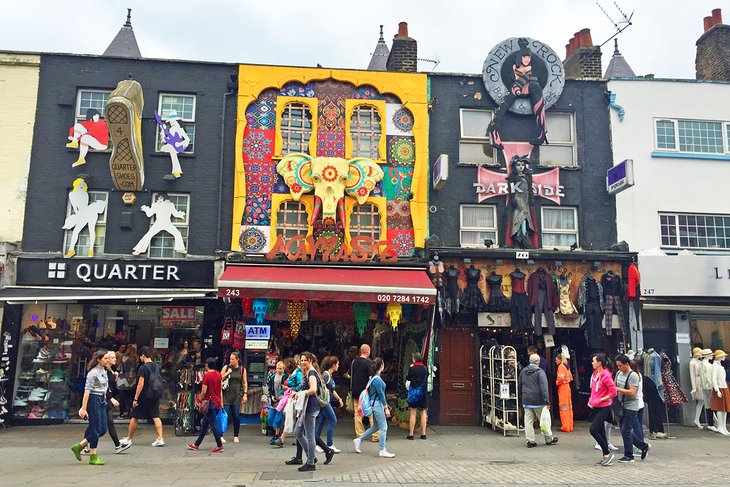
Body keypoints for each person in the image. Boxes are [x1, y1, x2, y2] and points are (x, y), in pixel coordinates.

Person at [487, 37, 547, 149]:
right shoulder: (514, 67)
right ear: (520, 57)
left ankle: (541, 131)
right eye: (524, 56)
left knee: (532, 85)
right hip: (517, 89)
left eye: (529, 57)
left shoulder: (533, 68)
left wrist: (521, 82)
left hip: (529, 87)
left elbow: (534, 79)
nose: (527, 59)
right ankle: (494, 129)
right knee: (510, 96)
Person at [289, 352, 331, 471]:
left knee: (310, 435)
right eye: (301, 360)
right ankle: (311, 457)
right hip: (306, 408)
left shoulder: (312, 373)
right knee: (297, 432)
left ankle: (311, 462)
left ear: (311, 361)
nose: (302, 362)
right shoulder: (307, 372)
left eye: (305, 360)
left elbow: (313, 389)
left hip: (310, 408)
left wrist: (299, 393)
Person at [118, 346, 165, 449]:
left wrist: (135, 398)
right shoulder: (157, 366)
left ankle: (129, 438)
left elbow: (140, 384)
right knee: (156, 416)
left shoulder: (143, 368)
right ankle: (160, 438)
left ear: (143, 356)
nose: (140, 358)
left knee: (135, 416)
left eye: (140, 357)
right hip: (154, 394)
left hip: (144, 395)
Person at [71, 350, 110, 465]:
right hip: (94, 400)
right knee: (95, 428)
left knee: (102, 429)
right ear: (99, 360)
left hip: (101, 400)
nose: (107, 360)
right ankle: (93, 455)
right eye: (105, 358)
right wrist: (83, 408)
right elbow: (87, 391)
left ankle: (79, 446)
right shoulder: (93, 373)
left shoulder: (104, 370)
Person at [353, 358, 395, 458]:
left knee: (376, 426)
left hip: (374, 404)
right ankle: (382, 449)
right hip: (378, 405)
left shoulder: (373, 378)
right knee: (384, 427)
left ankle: (359, 439)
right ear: (381, 366)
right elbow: (381, 395)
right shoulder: (377, 380)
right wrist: (386, 408)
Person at [615, 354, 651, 463]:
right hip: (621, 405)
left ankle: (629, 455)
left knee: (626, 429)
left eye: (620, 366)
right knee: (624, 430)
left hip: (632, 406)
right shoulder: (618, 373)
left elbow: (632, 392)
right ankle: (643, 446)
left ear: (627, 364)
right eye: (617, 366)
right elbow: (613, 384)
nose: (619, 368)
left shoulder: (633, 376)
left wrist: (617, 389)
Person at [519, 353, 559, 448]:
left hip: (526, 399)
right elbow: (544, 388)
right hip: (538, 401)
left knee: (528, 421)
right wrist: (547, 401)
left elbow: (519, 385)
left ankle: (530, 440)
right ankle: (549, 439)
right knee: (544, 420)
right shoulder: (540, 372)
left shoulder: (523, 371)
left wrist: (522, 398)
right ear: (538, 362)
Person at [187, 357, 224, 452]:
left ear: (207, 365)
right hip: (217, 402)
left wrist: (199, 399)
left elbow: (204, 391)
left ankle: (219, 445)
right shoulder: (219, 375)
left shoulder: (207, 376)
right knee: (205, 424)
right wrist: (221, 402)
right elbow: (220, 390)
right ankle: (196, 444)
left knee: (213, 424)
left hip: (209, 402)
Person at [588, 353, 618, 466]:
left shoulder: (606, 376)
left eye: (593, 361)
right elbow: (593, 390)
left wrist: (601, 399)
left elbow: (613, 392)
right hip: (595, 406)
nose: (592, 363)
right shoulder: (595, 374)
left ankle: (607, 452)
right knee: (600, 431)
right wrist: (592, 400)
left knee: (593, 429)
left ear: (599, 362)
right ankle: (606, 456)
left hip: (604, 407)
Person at [316, 356, 344, 453]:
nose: (338, 366)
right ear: (333, 365)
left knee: (321, 421)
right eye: (338, 364)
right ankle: (329, 444)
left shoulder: (329, 375)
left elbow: (332, 389)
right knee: (333, 420)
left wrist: (339, 399)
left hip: (325, 401)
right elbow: (321, 388)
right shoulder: (326, 375)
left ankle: (317, 443)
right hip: (325, 402)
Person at [507, 155, 535, 249]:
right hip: (518, 199)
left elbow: (530, 188)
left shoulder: (527, 176)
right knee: (521, 215)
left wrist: (531, 198)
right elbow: (512, 189)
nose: (520, 167)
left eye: (522, 165)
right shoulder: (512, 177)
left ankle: (522, 235)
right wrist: (513, 199)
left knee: (525, 217)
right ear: (514, 166)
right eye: (518, 165)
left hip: (525, 199)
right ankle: (520, 235)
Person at [220, 351, 248, 444]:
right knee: (225, 415)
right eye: (230, 359)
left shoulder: (242, 370)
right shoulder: (226, 367)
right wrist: (227, 372)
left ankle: (236, 435)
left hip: (236, 395)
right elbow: (219, 378)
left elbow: (244, 382)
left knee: (236, 415)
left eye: (232, 359)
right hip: (227, 395)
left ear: (237, 360)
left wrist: (245, 394)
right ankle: (221, 435)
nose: (231, 360)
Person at [351, 344, 377, 441]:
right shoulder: (369, 363)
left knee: (357, 414)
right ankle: (375, 435)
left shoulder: (354, 362)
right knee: (371, 414)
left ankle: (359, 434)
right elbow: (371, 378)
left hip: (356, 391)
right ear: (368, 351)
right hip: (366, 393)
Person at [157, 111, 190, 178]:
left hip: (179, 146)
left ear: (177, 122)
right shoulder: (171, 130)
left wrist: (180, 143)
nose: (172, 123)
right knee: (165, 148)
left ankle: (177, 172)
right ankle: (176, 172)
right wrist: (163, 131)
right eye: (171, 122)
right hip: (171, 146)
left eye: (174, 122)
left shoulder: (180, 130)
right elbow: (166, 140)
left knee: (172, 150)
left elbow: (187, 139)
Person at [406, 352, 428, 440]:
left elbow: (408, 377)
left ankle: (411, 434)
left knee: (413, 413)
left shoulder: (412, 368)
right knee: (423, 412)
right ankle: (423, 433)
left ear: (414, 359)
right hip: (423, 393)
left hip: (414, 393)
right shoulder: (425, 368)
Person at [267, 361, 288, 446]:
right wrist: (272, 396)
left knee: (278, 419)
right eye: (277, 368)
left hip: (281, 402)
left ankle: (277, 434)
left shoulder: (285, 377)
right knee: (270, 418)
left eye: (280, 368)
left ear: (283, 369)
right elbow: (270, 388)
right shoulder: (272, 377)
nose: (278, 370)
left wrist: (282, 396)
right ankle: (276, 432)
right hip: (274, 401)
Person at [555, 351, 574, 432]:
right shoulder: (567, 366)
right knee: (569, 408)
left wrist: (556, 382)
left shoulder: (561, 367)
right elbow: (570, 378)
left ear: (560, 360)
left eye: (556, 360)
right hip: (567, 387)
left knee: (563, 408)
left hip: (563, 388)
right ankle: (569, 426)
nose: (556, 362)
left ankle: (565, 426)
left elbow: (561, 378)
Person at [117, 344, 137, 418]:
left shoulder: (123, 357)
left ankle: (121, 413)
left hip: (123, 379)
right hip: (133, 380)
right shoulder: (136, 358)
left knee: (122, 397)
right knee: (131, 397)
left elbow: (118, 367)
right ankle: (130, 412)